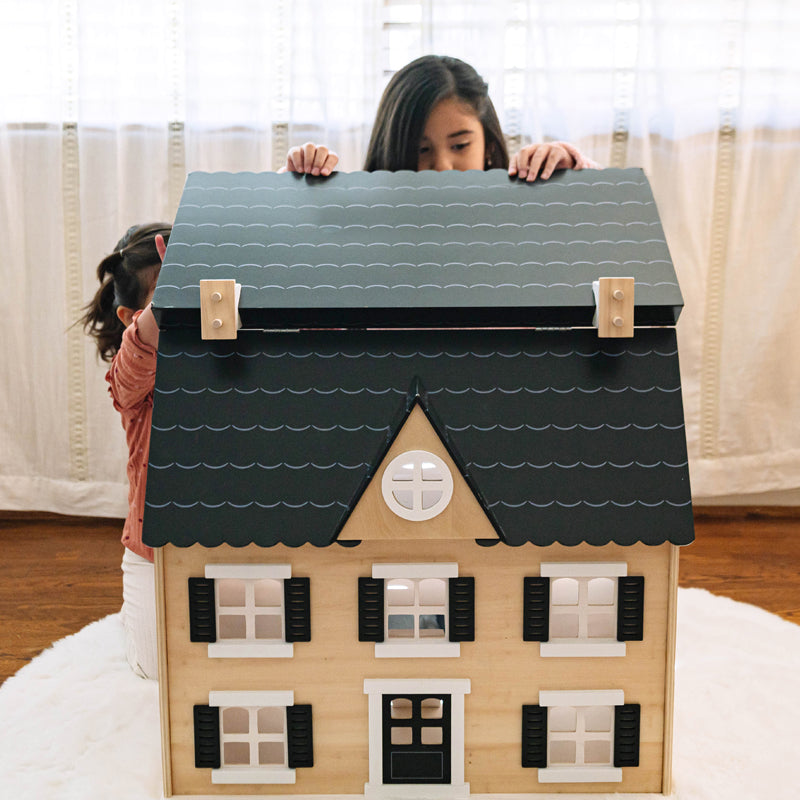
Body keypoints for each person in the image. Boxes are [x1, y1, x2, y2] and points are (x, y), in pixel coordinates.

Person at [81, 222, 170, 679]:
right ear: (129, 317)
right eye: (167, 296)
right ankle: (129, 627)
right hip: (152, 550)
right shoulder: (131, 373)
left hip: (216, 541)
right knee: (155, 667)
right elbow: (137, 355)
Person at [282, 54, 597, 179]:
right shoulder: (365, 227)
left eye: (460, 146)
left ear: (488, 147)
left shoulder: (519, 210)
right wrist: (295, 184)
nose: (442, 166)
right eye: (422, 149)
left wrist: (571, 173)